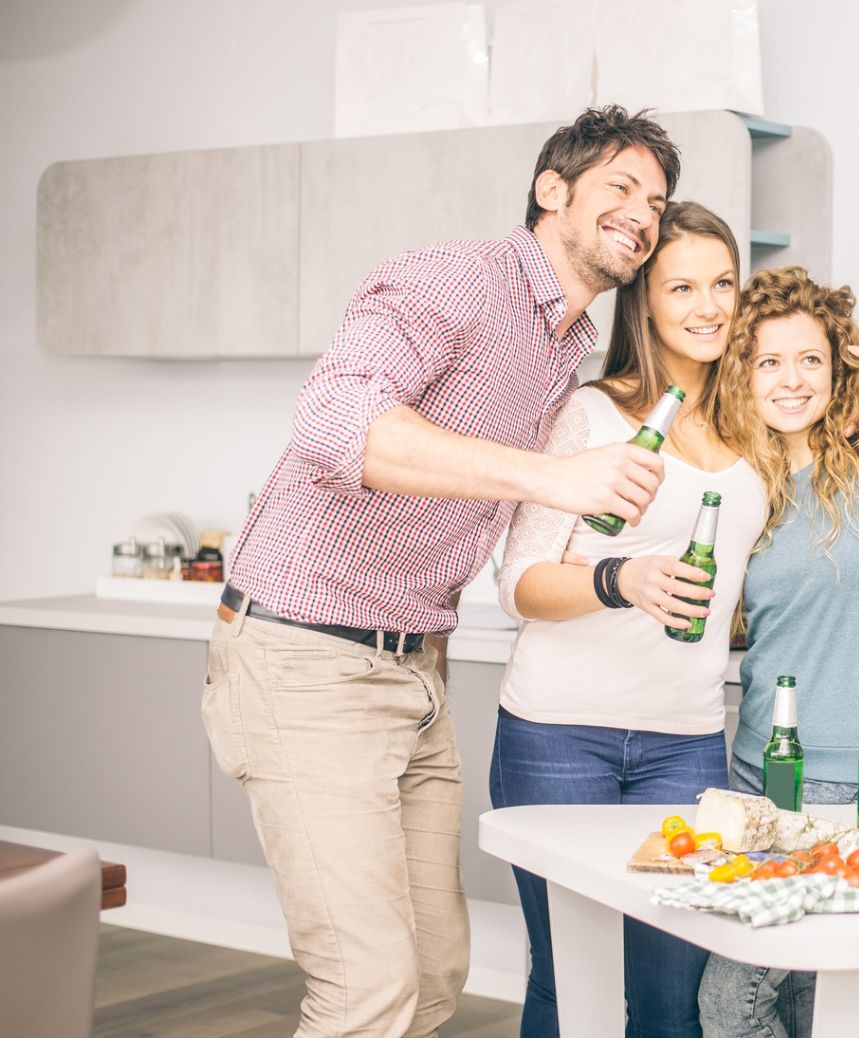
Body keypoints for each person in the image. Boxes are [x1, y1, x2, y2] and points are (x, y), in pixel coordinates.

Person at [199, 106, 680, 1038]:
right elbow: (338, 425)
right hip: (306, 655)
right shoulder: (452, 282)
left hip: (416, 667)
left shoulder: (566, 343)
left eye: (656, 201)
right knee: (365, 990)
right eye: (621, 187)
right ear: (552, 190)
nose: (642, 213)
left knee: (431, 978)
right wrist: (552, 476)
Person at [698, 266, 859, 1038]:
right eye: (769, 361)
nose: (791, 380)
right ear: (743, 374)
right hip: (752, 773)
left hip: (850, 786)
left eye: (810, 359)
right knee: (801, 1000)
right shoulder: (744, 486)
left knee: (737, 1002)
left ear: (839, 368)